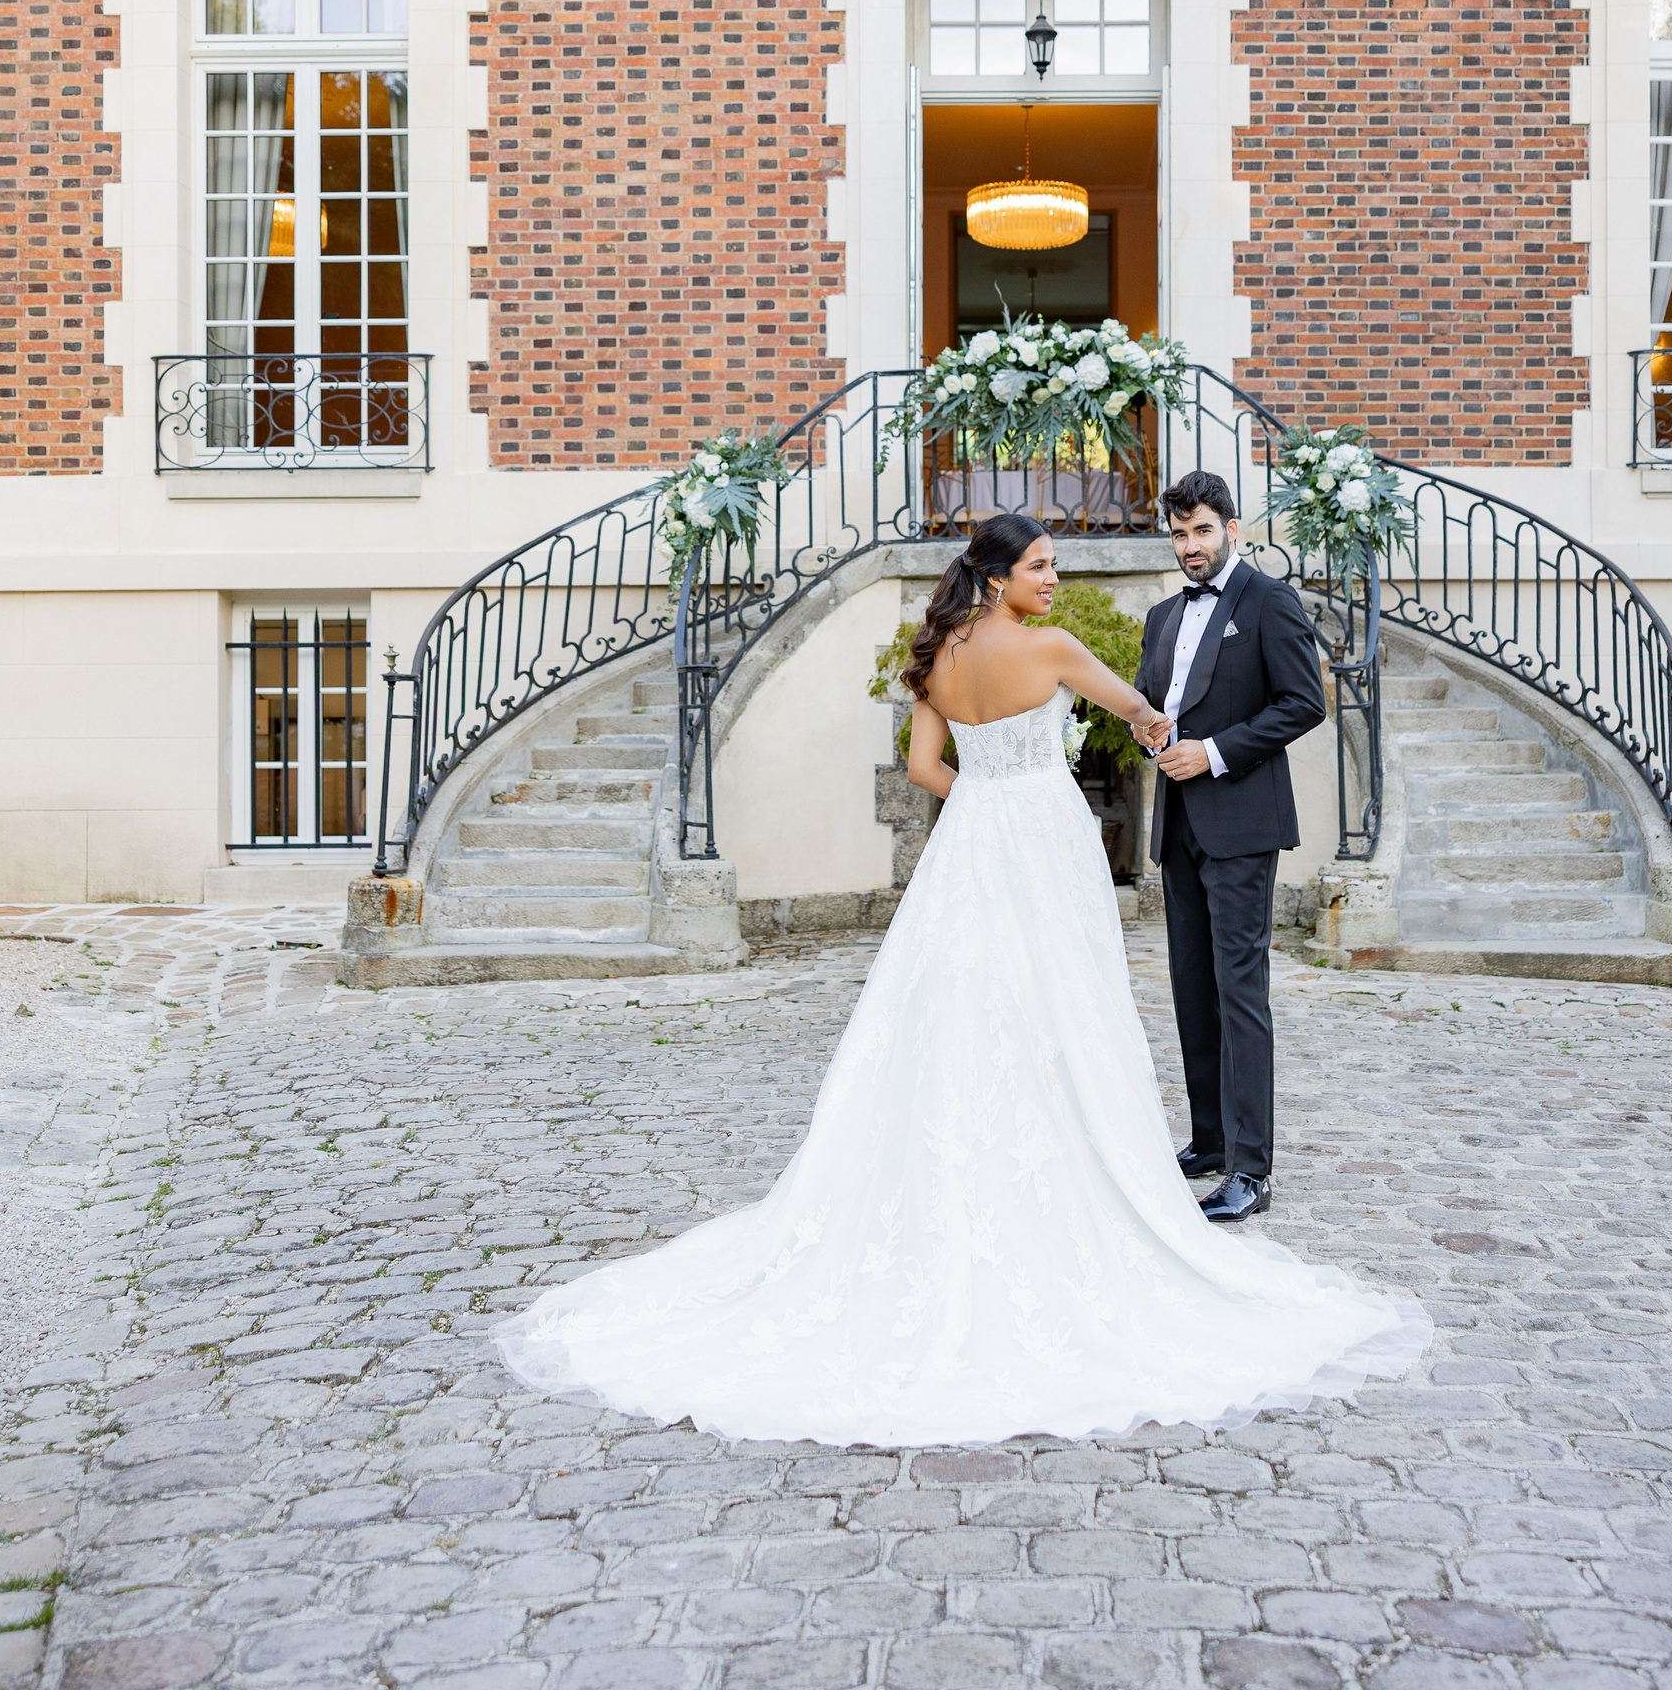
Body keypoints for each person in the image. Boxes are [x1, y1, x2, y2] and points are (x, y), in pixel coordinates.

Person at [497, 511, 1427, 1445]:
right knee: (1061, 1001)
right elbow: (1148, 718)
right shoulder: (1053, 649)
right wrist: (1155, 746)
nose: (1054, 580)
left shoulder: (934, 655)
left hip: (974, 839)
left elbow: (920, 768)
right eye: (1041, 566)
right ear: (997, 577)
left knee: (961, 998)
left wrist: (987, 793)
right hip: (1046, 839)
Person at [1137, 469, 1326, 1225]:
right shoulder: (1161, 615)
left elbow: (1303, 703)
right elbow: (1155, 702)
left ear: (1232, 529)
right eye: (1179, 534)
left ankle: (1252, 1168)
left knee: (1239, 988)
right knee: (1191, 986)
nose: (1190, 546)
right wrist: (1149, 731)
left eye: (1202, 531)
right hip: (1178, 821)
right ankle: (1210, 1140)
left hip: (1242, 822)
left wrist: (1213, 753)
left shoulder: (1269, 600)